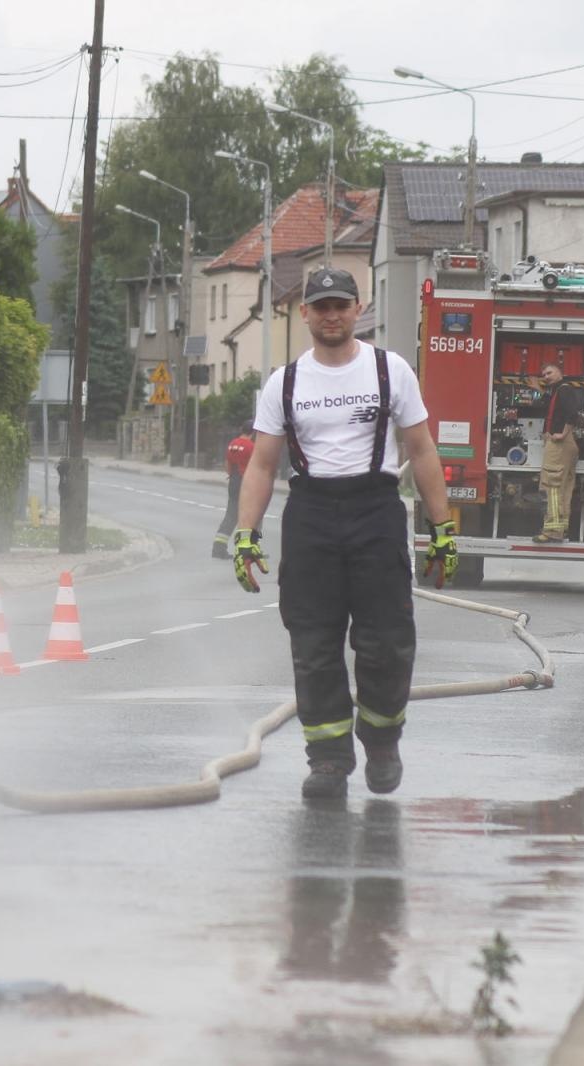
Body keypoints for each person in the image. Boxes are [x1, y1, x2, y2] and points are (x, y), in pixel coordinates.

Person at [229, 268, 457, 801]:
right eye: (320, 306)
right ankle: (328, 759)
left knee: (386, 643)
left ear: (359, 308)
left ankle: (381, 743)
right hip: (311, 513)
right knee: (314, 644)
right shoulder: (283, 382)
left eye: (341, 305)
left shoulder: (389, 370)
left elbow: (421, 451)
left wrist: (442, 529)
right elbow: (262, 466)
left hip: (375, 510)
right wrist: (246, 536)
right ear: (304, 314)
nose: (331, 315)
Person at [530, 360, 584, 543]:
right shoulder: (558, 391)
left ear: (560, 373)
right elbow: (552, 406)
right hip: (566, 445)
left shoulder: (565, 390)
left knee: (552, 486)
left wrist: (562, 433)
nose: (546, 377)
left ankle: (552, 531)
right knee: (564, 488)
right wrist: (539, 389)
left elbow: (572, 414)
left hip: (559, 443)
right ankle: (561, 530)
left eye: (549, 373)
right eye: (544, 374)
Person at [212, 421, 256, 558]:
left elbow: (227, 464)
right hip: (245, 482)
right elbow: (257, 468)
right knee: (248, 516)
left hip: (234, 481)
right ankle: (247, 550)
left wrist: (232, 477)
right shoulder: (251, 446)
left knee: (231, 515)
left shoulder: (232, 444)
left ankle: (218, 547)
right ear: (253, 432)